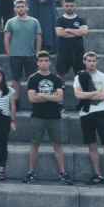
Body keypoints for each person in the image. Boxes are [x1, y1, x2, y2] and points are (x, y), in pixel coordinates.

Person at [25, 51, 71, 183]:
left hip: (54, 116)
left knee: (58, 145)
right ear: (37, 63)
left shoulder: (56, 79)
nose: (44, 63)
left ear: (49, 62)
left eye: (46, 60)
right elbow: (32, 98)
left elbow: (60, 97)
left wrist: (42, 96)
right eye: (41, 61)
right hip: (37, 116)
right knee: (35, 145)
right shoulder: (33, 78)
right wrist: (51, 97)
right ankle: (31, 172)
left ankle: (62, 172)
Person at [74, 52, 104, 185]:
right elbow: (78, 95)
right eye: (89, 60)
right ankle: (98, 175)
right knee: (92, 146)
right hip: (86, 114)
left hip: (100, 112)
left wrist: (88, 95)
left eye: (94, 60)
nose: (91, 63)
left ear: (97, 62)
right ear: (84, 61)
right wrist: (96, 92)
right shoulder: (79, 76)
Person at [5, 0, 42, 91]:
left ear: (27, 8)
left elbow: (39, 37)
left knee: (32, 79)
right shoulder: (10, 22)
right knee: (15, 79)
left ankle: (33, 100)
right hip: (15, 55)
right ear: (15, 9)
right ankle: (16, 102)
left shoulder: (35, 21)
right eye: (18, 7)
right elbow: (6, 38)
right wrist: (8, 52)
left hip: (30, 55)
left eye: (22, 7)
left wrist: (38, 52)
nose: (20, 9)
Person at [56, 0, 88, 78]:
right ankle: (60, 90)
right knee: (60, 74)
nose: (69, 8)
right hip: (63, 51)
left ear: (75, 6)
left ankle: (80, 90)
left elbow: (84, 32)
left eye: (71, 6)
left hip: (78, 52)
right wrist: (77, 32)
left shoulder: (81, 19)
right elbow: (60, 33)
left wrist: (68, 30)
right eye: (67, 6)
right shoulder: (60, 20)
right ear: (63, 6)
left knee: (81, 75)